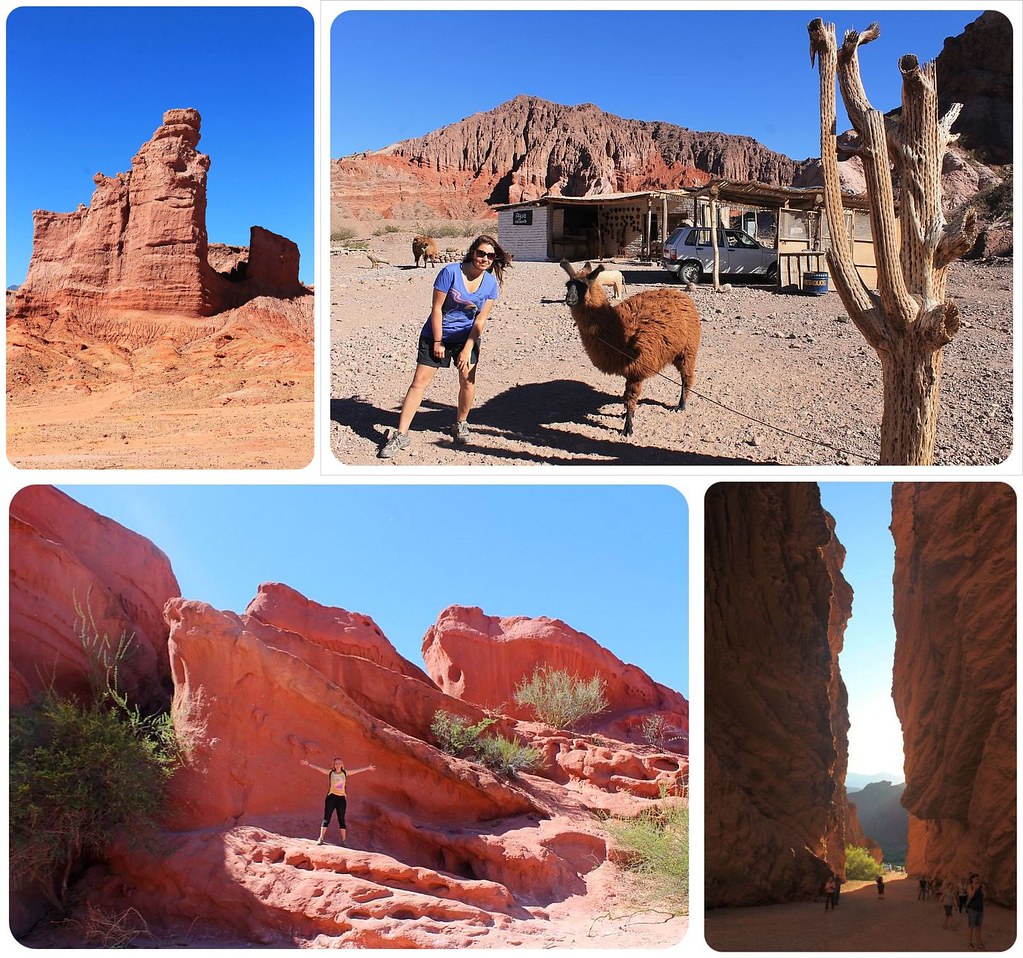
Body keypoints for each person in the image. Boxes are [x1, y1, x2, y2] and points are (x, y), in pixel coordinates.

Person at [378, 235, 511, 458]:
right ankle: (401, 434)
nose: (484, 259)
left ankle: (461, 423)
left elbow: (480, 320)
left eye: (490, 255)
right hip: (437, 334)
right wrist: (438, 341)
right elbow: (436, 308)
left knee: (467, 382)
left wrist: (468, 347)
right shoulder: (450, 272)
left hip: (466, 337)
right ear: (472, 252)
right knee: (419, 383)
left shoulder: (490, 283)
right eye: (481, 253)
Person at [301, 756, 375, 846]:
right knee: (326, 819)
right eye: (336, 763)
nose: (337, 765)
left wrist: (367, 768)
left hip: (341, 799)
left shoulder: (345, 773)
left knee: (341, 820)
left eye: (339, 763)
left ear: (342, 764)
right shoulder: (330, 773)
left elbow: (357, 770)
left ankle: (344, 841)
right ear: (334, 765)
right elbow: (319, 768)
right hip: (331, 798)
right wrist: (308, 764)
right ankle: (320, 838)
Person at [965, 873, 985, 949]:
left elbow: (984, 897)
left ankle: (979, 943)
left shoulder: (980, 887)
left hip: (980, 909)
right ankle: (970, 943)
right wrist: (974, 888)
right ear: (972, 879)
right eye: (975, 878)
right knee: (971, 927)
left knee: (978, 927)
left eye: (978, 878)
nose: (977, 879)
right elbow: (971, 896)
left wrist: (983, 890)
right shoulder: (969, 886)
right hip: (972, 910)